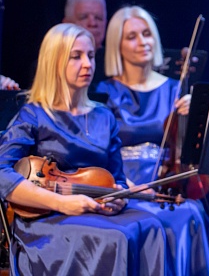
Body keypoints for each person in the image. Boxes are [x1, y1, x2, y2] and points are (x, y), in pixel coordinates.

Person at [0, 23, 171, 275]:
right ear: (54, 62)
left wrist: (119, 199)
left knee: (153, 226)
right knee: (117, 236)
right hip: (47, 218)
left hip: (94, 210)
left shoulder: (104, 116)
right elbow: (2, 172)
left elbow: (117, 180)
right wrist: (61, 203)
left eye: (90, 55)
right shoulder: (34, 115)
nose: (88, 64)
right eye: (76, 56)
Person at [96, 5, 209, 276]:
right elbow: (98, 149)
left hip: (167, 183)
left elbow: (194, 149)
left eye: (146, 34)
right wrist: (127, 188)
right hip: (123, 183)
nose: (142, 42)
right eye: (131, 37)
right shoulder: (105, 91)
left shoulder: (175, 89)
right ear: (117, 45)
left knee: (191, 214)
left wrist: (196, 115)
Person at [63, 0, 108, 93]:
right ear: (66, 23)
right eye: (83, 17)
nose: (92, 23)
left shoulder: (119, 65)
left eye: (98, 18)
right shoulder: (51, 64)